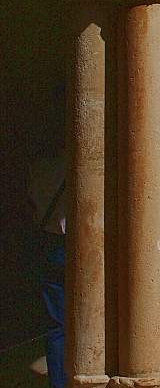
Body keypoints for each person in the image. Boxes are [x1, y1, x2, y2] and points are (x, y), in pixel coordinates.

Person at [29, 148, 68, 388]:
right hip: (75, 243)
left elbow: (32, 204)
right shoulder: (73, 163)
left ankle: (59, 383)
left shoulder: (37, 167)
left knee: (56, 324)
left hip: (47, 241)